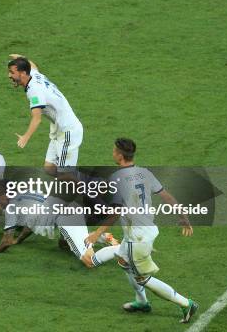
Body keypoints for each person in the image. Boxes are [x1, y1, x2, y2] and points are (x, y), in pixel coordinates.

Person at [85, 138, 198, 323]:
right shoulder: (145, 173)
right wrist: (183, 217)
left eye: (114, 151)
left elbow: (115, 212)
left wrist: (97, 233)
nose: (112, 153)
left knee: (142, 279)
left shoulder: (117, 178)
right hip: (146, 230)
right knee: (123, 262)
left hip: (137, 237)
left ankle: (186, 303)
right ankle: (142, 301)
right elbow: (166, 195)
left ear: (120, 156)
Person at [0, 180, 120, 269]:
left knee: (89, 261)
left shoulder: (11, 208)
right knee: (63, 245)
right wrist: (19, 240)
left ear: (5, 194)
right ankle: (104, 237)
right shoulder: (26, 193)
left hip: (66, 218)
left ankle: (123, 249)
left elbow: (6, 242)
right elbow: (31, 224)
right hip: (70, 208)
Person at [7, 54, 83, 178]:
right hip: (58, 130)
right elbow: (33, 66)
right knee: (49, 168)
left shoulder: (34, 91)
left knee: (65, 177)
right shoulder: (35, 75)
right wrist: (22, 57)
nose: (9, 75)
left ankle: (92, 189)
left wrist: (25, 137)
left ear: (23, 73)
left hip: (68, 132)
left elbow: (36, 119)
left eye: (12, 72)